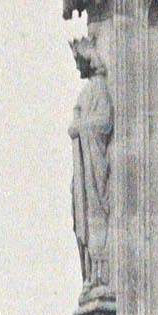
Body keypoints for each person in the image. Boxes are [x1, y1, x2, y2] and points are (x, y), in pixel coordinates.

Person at [68, 33, 114, 291]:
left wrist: (79, 125)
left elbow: (105, 123)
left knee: (95, 213)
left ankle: (100, 272)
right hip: (85, 168)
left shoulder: (98, 88)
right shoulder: (88, 91)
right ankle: (92, 274)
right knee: (82, 218)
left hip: (95, 169)